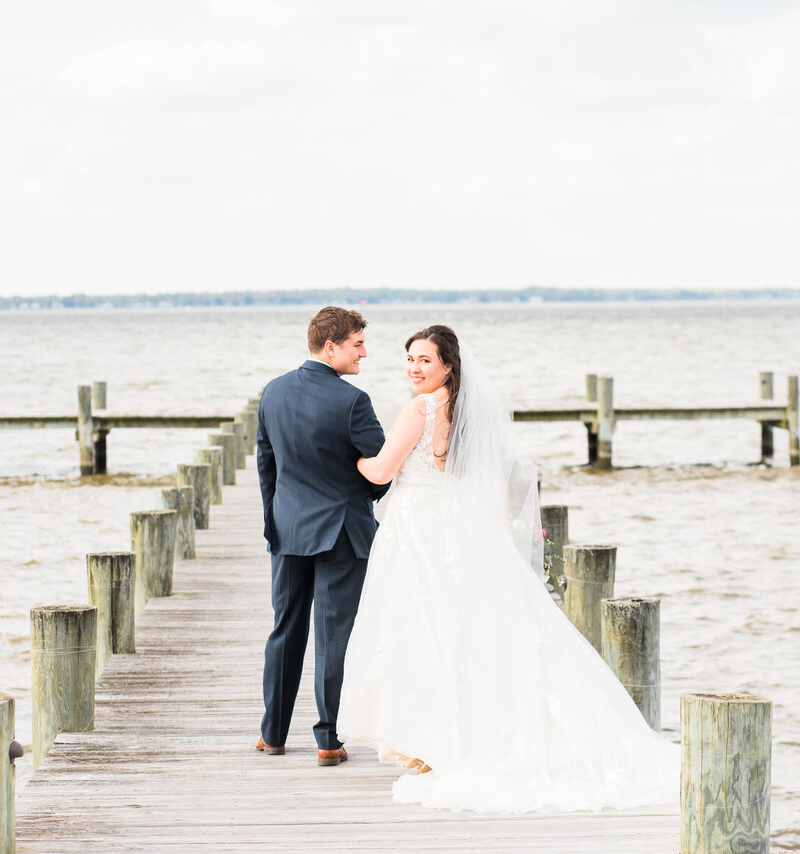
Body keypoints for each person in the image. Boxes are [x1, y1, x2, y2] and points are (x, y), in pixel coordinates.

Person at [337, 324, 679, 813]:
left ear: (448, 366)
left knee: (424, 625)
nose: (414, 368)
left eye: (425, 360)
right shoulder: (468, 413)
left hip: (419, 531)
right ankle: (446, 736)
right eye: (409, 358)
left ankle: (435, 742)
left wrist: (345, 456)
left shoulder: (420, 408)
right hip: (456, 525)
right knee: (461, 626)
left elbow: (381, 471)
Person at [256, 306, 390, 766]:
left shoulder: (272, 392)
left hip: (288, 527)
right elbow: (382, 473)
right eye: (357, 344)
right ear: (330, 346)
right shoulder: (353, 401)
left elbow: (266, 465)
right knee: (334, 636)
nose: (364, 353)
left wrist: (275, 518)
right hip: (341, 533)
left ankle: (272, 733)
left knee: (284, 630)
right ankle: (328, 739)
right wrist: (360, 489)